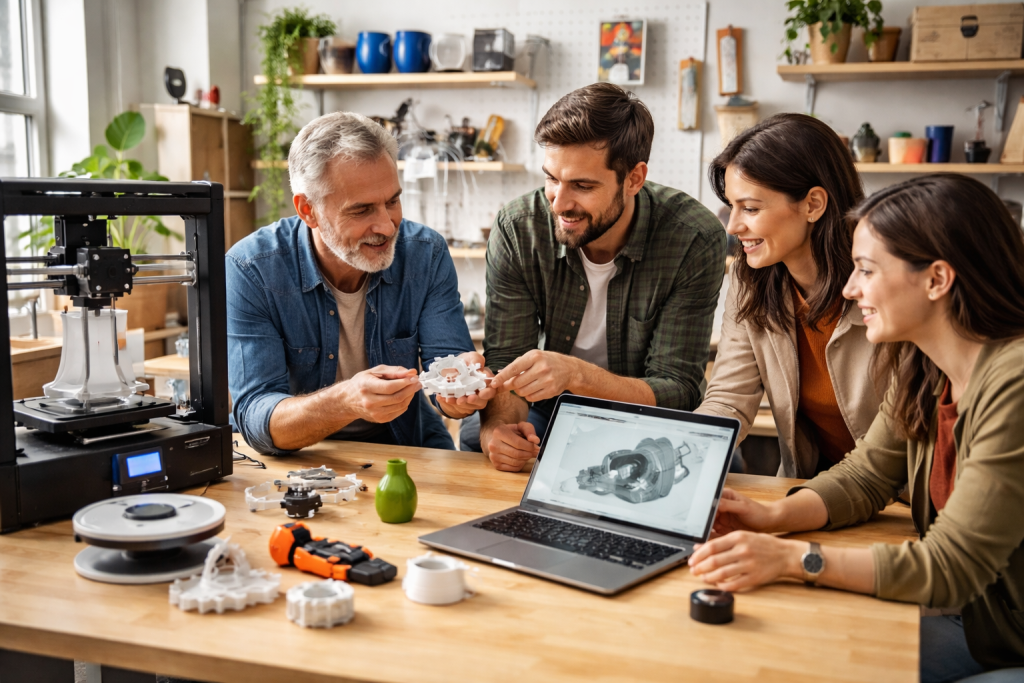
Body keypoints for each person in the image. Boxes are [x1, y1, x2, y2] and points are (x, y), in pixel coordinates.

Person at [689, 174, 1024, 682]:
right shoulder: (925, 366)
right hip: (972, 617)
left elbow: (949, 568)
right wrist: (771, 517)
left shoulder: (1013, 383)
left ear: (937, 279)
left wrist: (794, 559)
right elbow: (866, 475)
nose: (849, 288)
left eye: (865, 270)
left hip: (1004, 639)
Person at [458, 82, 727, 471]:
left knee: (718, 466)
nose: (559, 203)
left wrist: (577, 375)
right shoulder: (519, 228)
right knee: (475, 437)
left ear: (633, 179)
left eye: (582, 186)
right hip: (545, 409)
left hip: (644, 417)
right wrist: (500, 431)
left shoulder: (693, 237)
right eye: (552, 178)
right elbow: (506, 361)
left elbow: (677, 388)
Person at [227, 112, 491, 454]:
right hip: (301, 457)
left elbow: (448, 376)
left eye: (392, 201)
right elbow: (256, 417)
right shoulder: (251, 270)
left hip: (407, 448)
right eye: (361, 210)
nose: (387, 226)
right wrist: (344, 402)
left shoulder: (425, 254)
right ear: (308, 210)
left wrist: (459, 392)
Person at [695, 113, 881, 477]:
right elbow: (729, 400)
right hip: (808, 487)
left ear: (813, 204)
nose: (733, 226)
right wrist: (677, 452)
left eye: (750, 208)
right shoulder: (751, 281)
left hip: (896, 496)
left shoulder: (884, 282)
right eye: (732, 207)